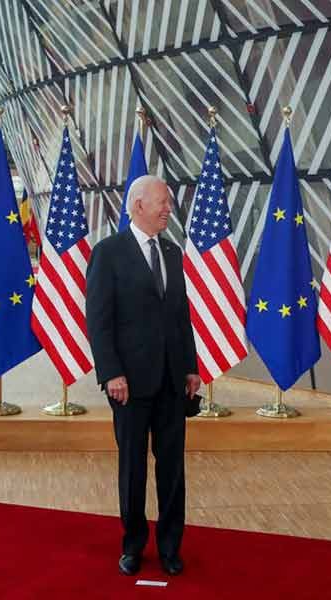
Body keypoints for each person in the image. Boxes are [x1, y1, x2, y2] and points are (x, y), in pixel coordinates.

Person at [85, 175, 201, 577]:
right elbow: (99, 321)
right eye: (163, 202)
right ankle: (133, 545)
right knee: (133, 468)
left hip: (171, 381)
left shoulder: (172, 252)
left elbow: (181, 316)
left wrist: (190, 367)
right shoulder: (108, 253)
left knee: (172, 469)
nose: (169, 208)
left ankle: (170, 546)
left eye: (168, 202)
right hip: (129, 385)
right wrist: (111, 373)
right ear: (138, 206)